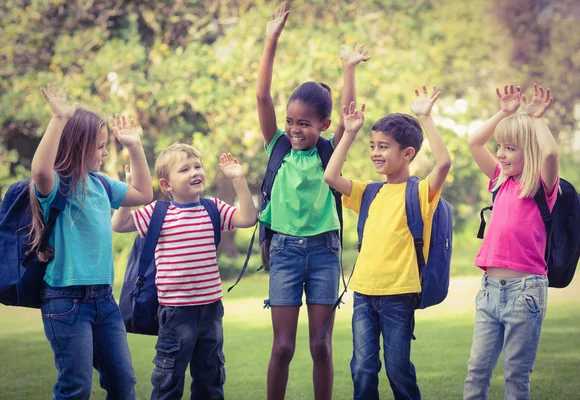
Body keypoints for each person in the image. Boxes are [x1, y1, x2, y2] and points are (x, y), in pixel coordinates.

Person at [256, 2, 370, 399]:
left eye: (303, 123)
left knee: (320, 346)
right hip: (285, 251)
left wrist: (349, 69)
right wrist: (271, 39)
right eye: (291, 121)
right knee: (283, 347)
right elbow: (262, 97)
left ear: (321, 125)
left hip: (324, 250)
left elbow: (349, 116)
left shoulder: (329, 152)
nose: (294, 128)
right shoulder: (278, 147)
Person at [324, 86, 452, 400]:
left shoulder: (420, 194)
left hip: (399, 296)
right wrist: (350, 134)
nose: (376, 153)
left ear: (408, 153)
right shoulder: (367, 192)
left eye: (384, 146)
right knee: (363, 369)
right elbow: (330, 175)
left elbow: (444, 163)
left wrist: (426, 118)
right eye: (373, 146)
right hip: (364, 295)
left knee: (397, 370)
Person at [30, 82, 153, 399]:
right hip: (65, 302)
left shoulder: (102, 185)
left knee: (123, 384)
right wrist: (58, 119)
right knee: (76, 387)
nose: (105, 153)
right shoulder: (58, 186)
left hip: (104, 301)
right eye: (99, 147)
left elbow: (143, 193)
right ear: (78, 146)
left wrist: (134, 147)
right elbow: (40, 171)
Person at [112, 143, 257, 400]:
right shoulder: (159, 212)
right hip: (176, 313)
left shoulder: (213, 208)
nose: (194, 172)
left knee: (210, 380)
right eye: (185, 169)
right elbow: (120, 224)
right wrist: (129, 191)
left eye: (197, 166)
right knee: (169, 381)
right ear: (167, 185)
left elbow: (247, 218)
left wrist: (238, 180)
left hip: (211, 310)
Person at [463, 83, 558, 400]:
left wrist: (536, 118)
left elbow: (550, 152)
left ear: (527, 151)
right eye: (500, 147)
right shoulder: (499, 181)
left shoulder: (542, 188)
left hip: (525, 292)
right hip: (489, 291)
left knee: (516, 377)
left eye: (510, 148)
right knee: (476, 372)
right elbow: (475, 142)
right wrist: (504, 112)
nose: (500, 153)